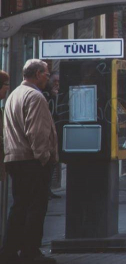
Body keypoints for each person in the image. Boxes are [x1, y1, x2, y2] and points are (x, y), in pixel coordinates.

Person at [1, 59, 58, 264]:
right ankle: (30, 251)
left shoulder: (14, 94)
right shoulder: (35, 96)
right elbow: (37, 132)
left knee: (20, 206)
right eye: (45, 73)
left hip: (15, 158)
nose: (48, 77)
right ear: (36, 74)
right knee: (36, 207)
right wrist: (44, 158)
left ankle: (9, 251)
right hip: (32, 160)